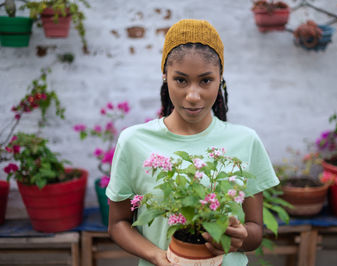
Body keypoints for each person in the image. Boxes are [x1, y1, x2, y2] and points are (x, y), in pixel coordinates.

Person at [106, 19, 279, 266]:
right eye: (181, 80)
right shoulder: (134, 141)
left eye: (206, 80)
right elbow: (117, 224)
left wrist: (240, 237)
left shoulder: (246, 141)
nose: (193, 95)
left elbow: (255, 230)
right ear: (165, 77)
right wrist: (157, 255)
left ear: (221, 80)